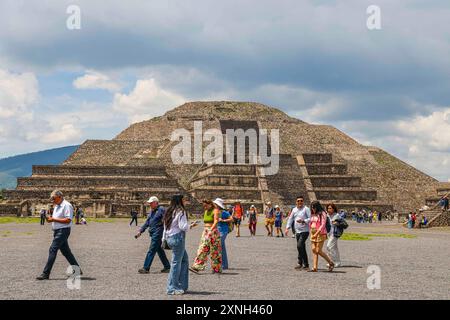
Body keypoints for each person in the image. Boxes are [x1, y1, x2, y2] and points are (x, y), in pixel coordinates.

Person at [36, 190, 82, 280]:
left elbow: (68, 220)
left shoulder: (67, 205)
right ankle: (77, 270)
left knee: (52, 249)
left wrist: (53, 220)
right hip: (57, 231)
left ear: (59, 196)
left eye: (54, 198)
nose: (52, 200)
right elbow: (57, 218)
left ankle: (46, 273)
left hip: (63, 231)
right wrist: (50, 219)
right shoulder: (57, 205)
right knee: (66, 252)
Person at [162, 194, 192, 295]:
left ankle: (182, 285)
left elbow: (165, 227)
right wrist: (191, 226)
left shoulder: (169, 211)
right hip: (178, 239)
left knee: (184, 260)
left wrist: (163, 239)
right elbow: (183, 227)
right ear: (179, 201)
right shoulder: (181, 211)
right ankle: (172, 288)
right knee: (176, 263)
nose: (185, 201)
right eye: (183, 199)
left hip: (170, 239)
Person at [135, 196, 171, 274]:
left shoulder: (161, 209)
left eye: (151, 203)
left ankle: (146, 268)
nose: (150, 204)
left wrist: (167, 230)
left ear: (156, 202)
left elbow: (168, 219)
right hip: (153, 233)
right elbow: (147, 222)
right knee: (160, 251)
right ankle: (167, 267)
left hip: (158, 233)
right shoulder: (152, 211)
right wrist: (140, 231)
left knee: (151, 250)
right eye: (149, 203)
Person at [190, 199, 223, 274]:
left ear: (210, 204)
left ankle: (216, 268)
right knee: (202, 248)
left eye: (206, 205)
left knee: (215, 251)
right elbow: (206, 221)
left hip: (213, 232)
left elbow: (216, 221)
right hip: (205, 231)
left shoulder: (215, 210)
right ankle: (197, 267)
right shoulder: (206, 211)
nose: (204, 207)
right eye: (203, 206)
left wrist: (211, 230)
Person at [285, 196, 311, 270]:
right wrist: (287, 228)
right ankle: (303, 264)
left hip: (305, 231)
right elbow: (290, 219)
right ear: (296, 202)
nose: (300, 202)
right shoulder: (294, 209)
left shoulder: (306, 209)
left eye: (301, 201)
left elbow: (310, 218)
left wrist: (303, 221)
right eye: (298, 201)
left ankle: (303, 263)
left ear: (303, 201)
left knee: (299, 246)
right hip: (297, 231)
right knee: (301, 247)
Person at [309, 201, 334, 272]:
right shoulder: (312, 213)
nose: (313, 209)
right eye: (312, 208)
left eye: (314, 208)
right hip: (313, 232)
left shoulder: (323, 213)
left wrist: (316, 234)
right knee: (314, 250)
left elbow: (322, 225)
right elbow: (311, 222)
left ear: (317, 207)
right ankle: (314, 267)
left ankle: (330, 262)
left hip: (320, 233)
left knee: (318, 250)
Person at [326, 203, 345, 268]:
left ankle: (332, 262)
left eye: (330, 208)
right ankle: (337, 262)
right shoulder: (327, 215)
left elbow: (344, 223)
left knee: (329, 246)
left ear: (334, 209)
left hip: (335, 233)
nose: (329, 209)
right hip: (329, 233)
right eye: (328, 208)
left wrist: (337, 223)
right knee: (334, 248)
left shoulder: (337, 215)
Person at [218, 202, 233, 270]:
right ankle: (224, 265)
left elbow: (231, 219)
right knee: (222, 247)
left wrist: (223, 220)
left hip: (224, 230)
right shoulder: (215, 212)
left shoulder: (225, 212)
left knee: (219, 245)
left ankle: (221, 264)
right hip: (217, 230)